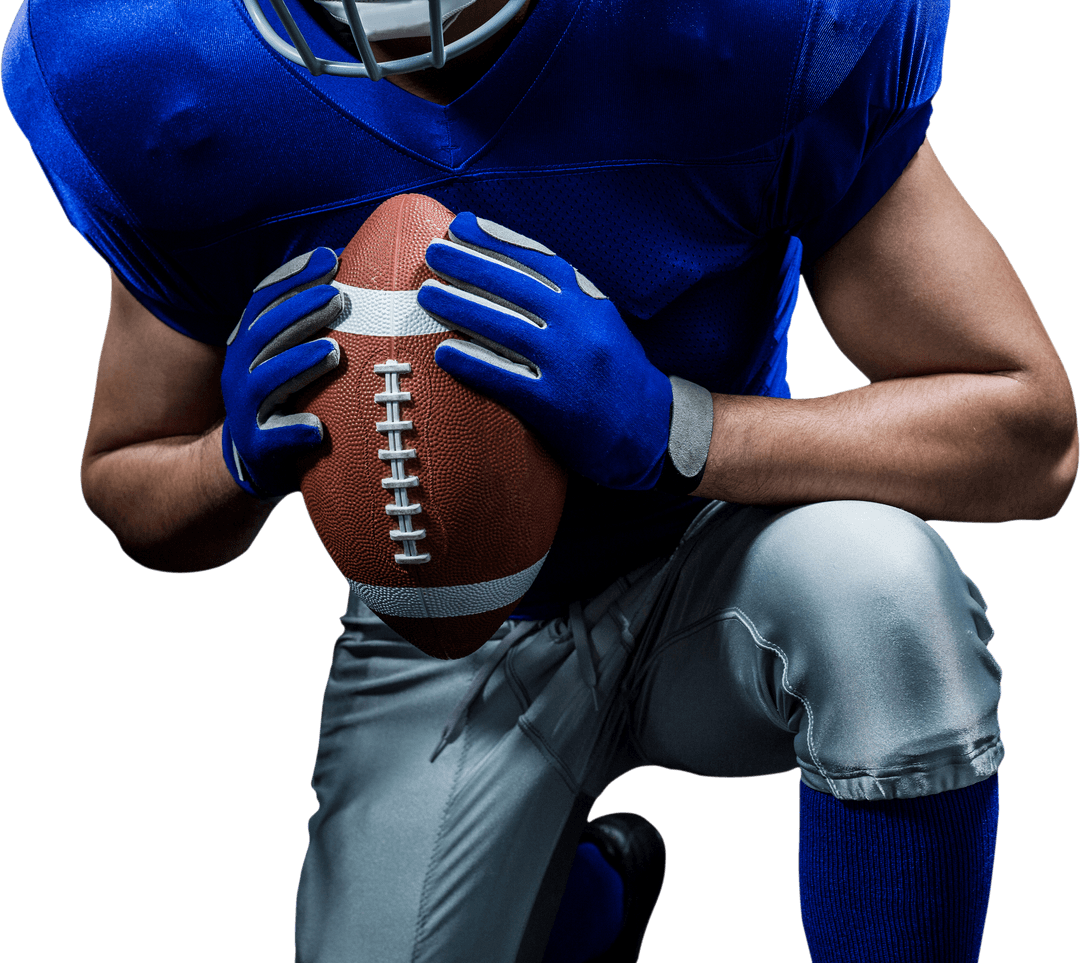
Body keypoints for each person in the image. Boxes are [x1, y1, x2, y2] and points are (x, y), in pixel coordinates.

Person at [3, 1, 1076, 961]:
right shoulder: (152, 58)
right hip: (437, 619)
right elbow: (125, 479)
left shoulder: (750, 23)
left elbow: (1030, 432)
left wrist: (677, 426)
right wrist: (229, 463)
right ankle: (584, 909)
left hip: (721, 555)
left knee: (885, 595)